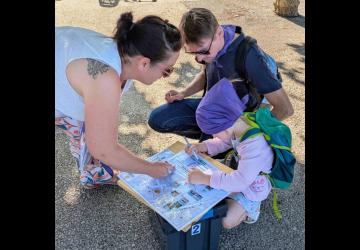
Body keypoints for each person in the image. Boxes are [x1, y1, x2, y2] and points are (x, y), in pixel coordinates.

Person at [55, 12, 182, 189]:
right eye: (167, 70)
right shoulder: (105, 79)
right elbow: (103, 149)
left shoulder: (124, 52)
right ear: (144, 63)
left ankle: (94, 173)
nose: (165, 76)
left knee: (92, 126)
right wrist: (151, 169)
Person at [148, 7, 293, 145]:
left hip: (239, 121)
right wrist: (183, 93)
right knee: (158, 119)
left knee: (211, 161)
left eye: (203, 51)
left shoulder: (250, 56)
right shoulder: (211, 42)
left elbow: (285, 108)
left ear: (219, 33)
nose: (199, 59)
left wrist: (251, 139)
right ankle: (213, 137)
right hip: (214, 112)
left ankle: (226, 144)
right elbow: (205, 74)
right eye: (193, 53)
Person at [185, 78, 274, 228]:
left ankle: (251, 208)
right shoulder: (238, 124)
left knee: (226, 221)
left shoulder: (254, 147)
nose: (213, 136)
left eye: (214, 133)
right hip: (239, 172)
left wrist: (205, 178)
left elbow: (240, 182)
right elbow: (224, 141)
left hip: (251, 187)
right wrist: (203, 146)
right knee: (211, 194)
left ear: (226, 126)